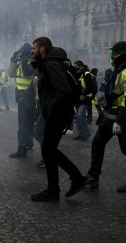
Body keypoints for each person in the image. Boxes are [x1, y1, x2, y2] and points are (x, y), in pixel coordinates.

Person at [29, 36, 87, 202]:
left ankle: (64, 185)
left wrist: (50, 110)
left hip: (58, 114)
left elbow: (63, 91)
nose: (32, 51)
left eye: (34, 48)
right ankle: (61, 186)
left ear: (42, 48)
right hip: (57, 113)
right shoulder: (48, 63)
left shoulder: (51, 64)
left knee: (48, 150)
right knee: (49, 150)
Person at [86, 41, 126, 192]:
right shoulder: (115, 70)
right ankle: (93, 176)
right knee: (97, 144)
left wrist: (120, 121)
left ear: (122, 53)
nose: (112, 56)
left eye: (114, 52)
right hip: (110, 114)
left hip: (122, 116)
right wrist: (99, 101)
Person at [8, 43, 36, 158]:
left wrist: (24, 60)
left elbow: (27, 74)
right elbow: (11, 74)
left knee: (23, 124)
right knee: (28, 124)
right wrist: (13, 61)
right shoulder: (21, 63)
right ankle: (28, 143)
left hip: (28, 97)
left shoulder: (32, 63)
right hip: (21, 96)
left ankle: (21, 149)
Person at [72, 60, 94, 141]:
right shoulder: (77, 74)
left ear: (80, 66)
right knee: (78, 117)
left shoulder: (86, 74)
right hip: (79, 99)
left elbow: (91, 87)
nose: (74, 68)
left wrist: (83, 94)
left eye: (76, 66)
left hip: (85, 99)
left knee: (80, 115)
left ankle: (86, 133)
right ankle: (81, 134)